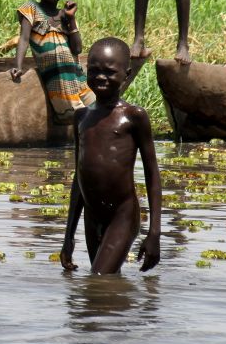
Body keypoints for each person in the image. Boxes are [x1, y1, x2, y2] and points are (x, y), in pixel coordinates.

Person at [60, 37, 161, 275]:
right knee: (103, 287)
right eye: (94, 70)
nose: (100, 77)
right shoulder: (82, 117)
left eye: (109, 72)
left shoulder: (134, 116)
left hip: (122, 216)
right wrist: (68, 236)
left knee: (98, 278)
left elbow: (152, 174)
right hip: (92, 216)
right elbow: (79, 179)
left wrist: (154, 233)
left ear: (126, 75)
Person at [10, 0, 94, 122]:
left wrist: (72, 19)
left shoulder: (65, 16)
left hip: (78, 76)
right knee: (81, 118)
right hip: (58, 81)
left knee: (98, 111)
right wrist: (18, 66)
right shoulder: (31, 8)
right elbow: (24, 38)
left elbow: (77, 49)